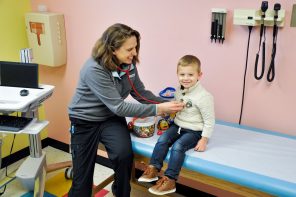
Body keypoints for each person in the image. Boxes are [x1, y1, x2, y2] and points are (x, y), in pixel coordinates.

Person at [67, 23, 184, 197]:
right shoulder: (94, 69)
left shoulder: (128, 64)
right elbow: (119, 107)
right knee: (82, 182)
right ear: (113, 49)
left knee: (124, 157)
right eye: (130, 49)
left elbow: (140, 93)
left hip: (110, 118)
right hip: (85, 120)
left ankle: (121, 193)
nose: (135, 53)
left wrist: (171, 104)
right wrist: (158, 109)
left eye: (136, 47)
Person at [138, 55, 215, 195]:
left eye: (190, 74)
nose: (186, 78)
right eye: (182, 74)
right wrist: (166, 112)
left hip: (193, 131)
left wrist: (204, 139)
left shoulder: (204, 97)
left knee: (178, 146)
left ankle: (170, 180)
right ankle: (153, 169)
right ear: (177, 74)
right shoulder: (179, 90)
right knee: (162, 140)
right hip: (178, 126)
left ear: (199, 75)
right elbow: (178, 108)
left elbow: (210, 121)